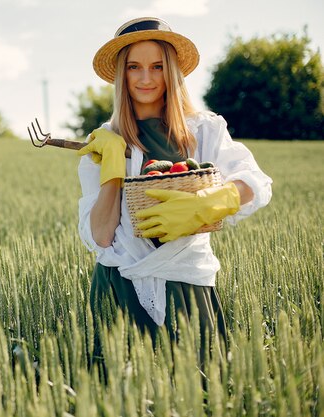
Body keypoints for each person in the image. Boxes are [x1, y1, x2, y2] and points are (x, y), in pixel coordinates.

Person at [75, 17, 273, 356]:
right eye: (134, 67)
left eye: (157, 66)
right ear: (122, 75)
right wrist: (112, 166)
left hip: (187, 283)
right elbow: (101, 237)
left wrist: (212, 203)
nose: (146, 78)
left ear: (171, 71)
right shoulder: (104, 140)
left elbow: (256, 182)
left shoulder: (204, 130)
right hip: (119, 288)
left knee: (198, 390)